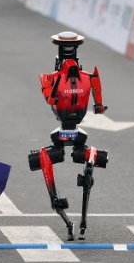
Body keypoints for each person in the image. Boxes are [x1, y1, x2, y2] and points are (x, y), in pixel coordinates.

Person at [27, 32, 109, 241]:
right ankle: (82, 220)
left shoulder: (49, 78)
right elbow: (99, 106)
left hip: (61, 129)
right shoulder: (90, 77)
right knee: (89, 156)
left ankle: (58, 204)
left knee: (45, 157)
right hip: (79, 131)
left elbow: (49, 98)